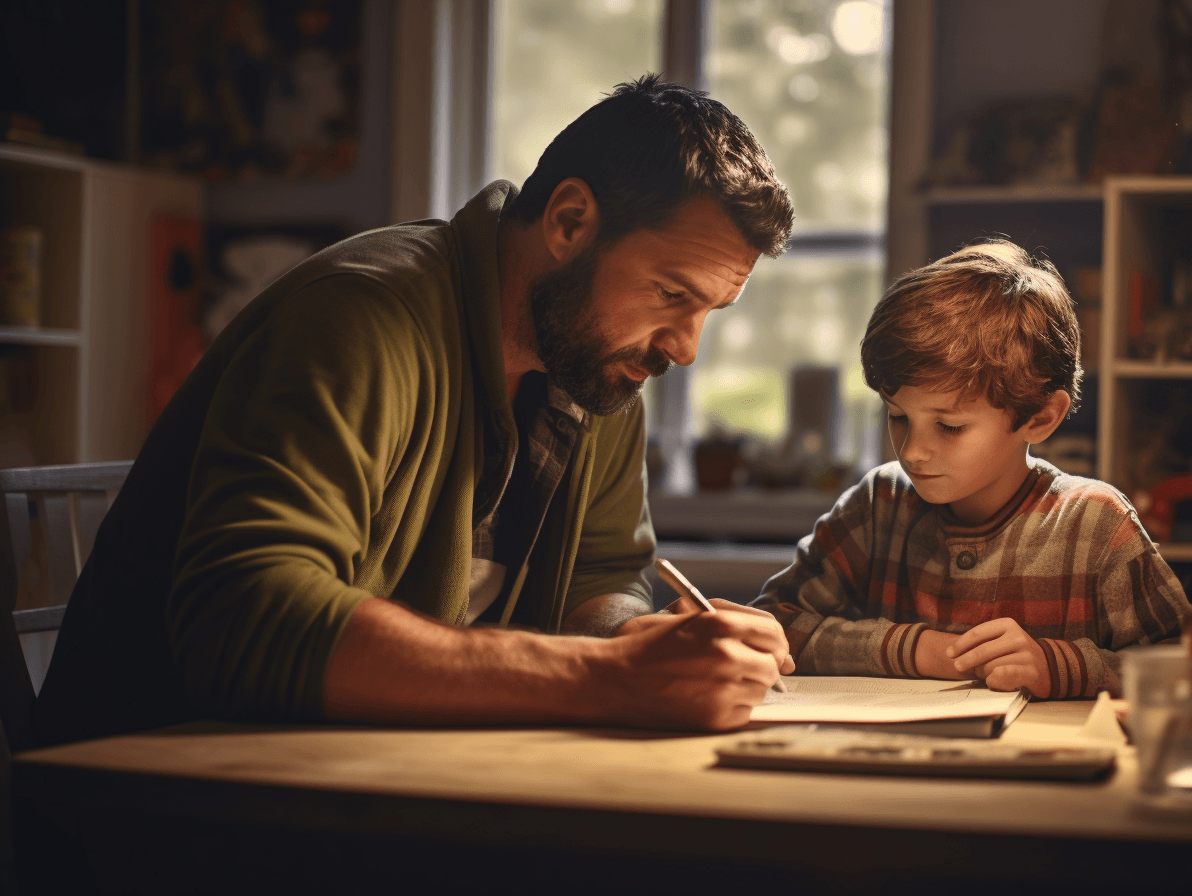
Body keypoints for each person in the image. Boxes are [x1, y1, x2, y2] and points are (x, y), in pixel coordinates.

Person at [36, 75, 796, 746]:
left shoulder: (598, 367)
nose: (687, 348)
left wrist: (638, 640)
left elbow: (601, 573)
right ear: (569, 223)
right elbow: (245, 617)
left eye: (710, 310)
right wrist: (608, 675)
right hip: (162, 791)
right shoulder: (358, 317)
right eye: (672, 294)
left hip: (370, 770)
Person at [752, 241, 1192, 699]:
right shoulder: (879, 502)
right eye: (897, 416)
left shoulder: (1095, 524)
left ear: (1040, 417)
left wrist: (1062, 666)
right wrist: (911, 649)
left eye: (949, 426)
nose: (912, 452)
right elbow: (772, 627)